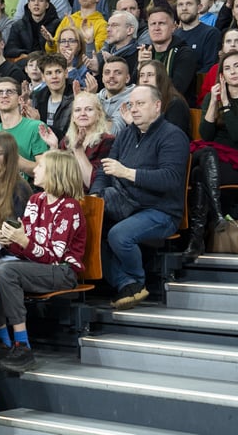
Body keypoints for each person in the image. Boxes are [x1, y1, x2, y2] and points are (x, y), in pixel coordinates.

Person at [90, 85, 189, 310]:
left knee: (118, 235)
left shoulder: (173, 136)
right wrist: (95, 194)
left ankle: (136, 280)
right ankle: (127, 283)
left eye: (140, 104)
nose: (134, 110)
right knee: (88, 227)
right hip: (126, 204)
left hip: (161, 209)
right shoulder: (126, 134)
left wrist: (127, 173)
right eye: (131, 105)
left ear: (157, 106)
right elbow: (105, 170)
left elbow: (170, 178)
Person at [0, 150, 87, 373]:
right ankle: (3, 341)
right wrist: (10, 241)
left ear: (55, 173)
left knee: (6, 271)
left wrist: (22, 240)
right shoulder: (36, 200)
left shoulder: (69, 207)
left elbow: (53, 256)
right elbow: (26, 248)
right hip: (37, 265)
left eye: (40, 167)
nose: (34, 169)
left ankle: (22, 344)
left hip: (63, 270)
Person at [182, 52, 238, 261]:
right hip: (212, 154)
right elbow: (206, 134)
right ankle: (217, 217)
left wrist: (226, 102)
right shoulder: (213, 98)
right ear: (222, 75)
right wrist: (213, 102)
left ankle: (197, 238)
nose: (232, 72)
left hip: (236, 163)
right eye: (227, 68)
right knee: (206, 153)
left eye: (237, 66)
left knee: (200, 173)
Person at [41, 92, 114, 191]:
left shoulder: (107, 141)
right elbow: (54, 178)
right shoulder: (66, 141)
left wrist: (78, 151)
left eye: (89, 109)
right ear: (73, 117)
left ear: (99, 115)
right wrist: (54, 147)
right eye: (78, 110)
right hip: (65, 195)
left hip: (89, 198)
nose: (82, 114)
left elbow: (93, 184)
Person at [0, 77, 49, 179]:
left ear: (20, 99)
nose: (4, 95)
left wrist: (14, 158)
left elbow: (45, 171)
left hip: (28, 191)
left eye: (10, 92)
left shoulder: (35, 127)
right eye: (0, 92)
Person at [139, 6, 199, 103]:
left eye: (162, 23)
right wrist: (140, 66)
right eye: (153, 24)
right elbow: (132, 86)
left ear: (173, 27)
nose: (156, 28)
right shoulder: (144, 51)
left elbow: (177, 88)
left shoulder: (185, 53)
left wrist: (151, 66)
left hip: (173, 106)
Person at [137, 60, 190, 137]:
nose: (145, 80)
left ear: (161, 78)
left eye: (150, 75)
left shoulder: (175, 103)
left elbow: (173, 136)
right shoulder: (139, 102)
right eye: (141, 75)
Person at [97, 55, 136, 135]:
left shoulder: (133, 100)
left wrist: (93, 104)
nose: (111, 76)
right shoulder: (96, 97)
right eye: (107, 72)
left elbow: (113, 133)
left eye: (118, 73)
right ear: (102, 78)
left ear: (127, 78)